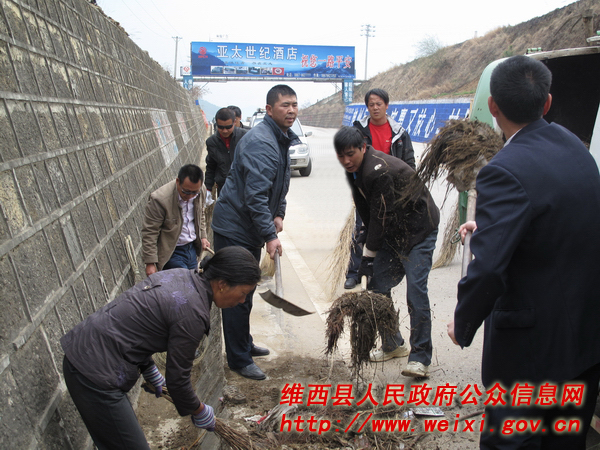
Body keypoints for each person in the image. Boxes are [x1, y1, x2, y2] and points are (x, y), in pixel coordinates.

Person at [447, 55, 600, 449]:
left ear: (493, 106)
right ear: (547, 102)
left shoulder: (503, 169)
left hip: (531, 354)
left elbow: (488, 270)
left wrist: (463, 323)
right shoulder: (574, 147)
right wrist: (492, 231)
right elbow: (563, 219)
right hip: (583, 340)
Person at [61, 247, 261, 449]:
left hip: (87, 352)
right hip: (93, 371)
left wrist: (148, 368)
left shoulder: (182, 275)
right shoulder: (193, 313)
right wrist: (199, 410)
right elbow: (178, 382)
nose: (242, 300)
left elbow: (138, 326)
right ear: (222, 284)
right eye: (243, 293)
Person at [334, 126, 439, 376]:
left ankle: (420, 357)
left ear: (363, 148)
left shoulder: (377, 170)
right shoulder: (355, 170)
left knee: (415, 292)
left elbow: (382, 216)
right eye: (341, 156)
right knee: (377, 286)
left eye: (351, 154)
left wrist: (368, 256)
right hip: (395, 231)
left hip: (418, 231)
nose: (346, 160)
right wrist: (364, 237)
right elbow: (367, 208)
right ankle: (393, 344)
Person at [211, 85, 299, 381]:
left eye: (294, 105)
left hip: (247, 228)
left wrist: (279, 214)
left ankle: (244, 344)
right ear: (269, 109)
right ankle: (238, 359)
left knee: (246, 292)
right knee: (236, 294)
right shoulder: (262, 142)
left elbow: (279, 184)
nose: (291, 110)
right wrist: (270, 236)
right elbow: (255, 196)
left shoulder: (279, 138)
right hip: (235, 228)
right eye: (285, 105)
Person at [344, 88, 416, 289]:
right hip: (367, 189)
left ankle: (382, 270)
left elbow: (409, 163)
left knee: (387, 229)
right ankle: (354, 273)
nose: (375, 108)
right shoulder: (359, 132)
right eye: (371, 104)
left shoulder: (399, 133)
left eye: (379, 104)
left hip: (393, 192)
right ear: (367, 107)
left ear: (386, 105)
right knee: (362, 230)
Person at [142, 164, 210, 278]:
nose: (190, 196)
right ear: (178, 181)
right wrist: (150, 262)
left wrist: (203, 236)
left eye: (194, 193)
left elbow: (200, 214)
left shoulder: (200, 190)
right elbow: (150, 232)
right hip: (172, 252)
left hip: (192, 249)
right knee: (184, 283)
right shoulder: (160, 199)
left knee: (194, 282)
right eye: (186, 192)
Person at [204, 107, 248, 204]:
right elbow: (211, 166)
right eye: (220, 127)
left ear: (234, 122)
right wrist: (208, 189)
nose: (224, 131)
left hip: (245, 188)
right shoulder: (211, 142)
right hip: (224, 189)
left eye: (228, 127)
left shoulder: (245, 137)